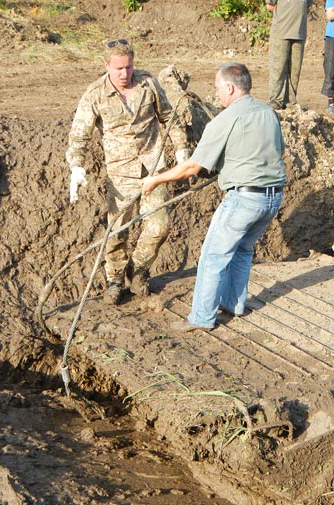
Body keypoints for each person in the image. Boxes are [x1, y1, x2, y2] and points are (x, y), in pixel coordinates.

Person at [141, 63, 286, 332]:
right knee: (243, 250)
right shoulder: (268, 113)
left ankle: (201, 318)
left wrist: (155, 180)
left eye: (218, 88)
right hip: (272, 198)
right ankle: (234, 304)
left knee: (212, 257)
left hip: (244, 199)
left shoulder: (225, 119)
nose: (216, 93)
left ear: (230, 87)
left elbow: (191, 168)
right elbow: (275, 151)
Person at [66, 39, 189, 305]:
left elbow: (169, 117)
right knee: (117, 231)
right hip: (120, 174)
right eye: (119, 68)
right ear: (106, 66)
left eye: (129, 67)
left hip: (153, 168)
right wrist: (76, 167)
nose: (125, 74)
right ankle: (115, 280)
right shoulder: (95, 94)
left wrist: (181, 149)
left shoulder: (148, 84)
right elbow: (79, 136)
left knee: (160, 226)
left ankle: (138, 270)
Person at [265, 0, 311, 110]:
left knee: (295, 70)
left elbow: (307, 6)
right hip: (281, 31)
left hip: (299, 32)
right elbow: (270, 6)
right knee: (278, 68)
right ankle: (276, 100)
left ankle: (290, 101)